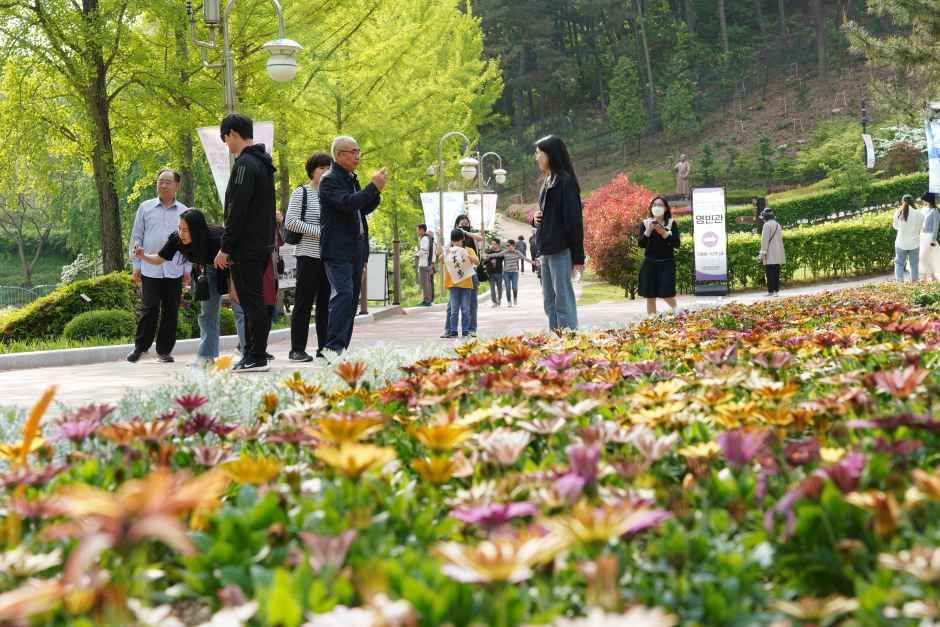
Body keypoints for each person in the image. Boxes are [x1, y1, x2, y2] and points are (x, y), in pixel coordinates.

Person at [214, 113, 276, 373]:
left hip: (246, 247)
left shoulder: (244, 166)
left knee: (251, 303)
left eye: (225, 139)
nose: (226, 145)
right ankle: (253, 353)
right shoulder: (262, 164)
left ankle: (256, 356)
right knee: (255, 301)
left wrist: (225, 247)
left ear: (232, 134)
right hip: (261, 245)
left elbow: (237, 210)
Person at [319, 136, 386, 354]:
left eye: (359, 151)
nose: (358, 156)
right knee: (344, 295)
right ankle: (332, 348)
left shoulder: (350, 177)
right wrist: (371, 187)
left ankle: (342, 348)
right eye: (353, 152)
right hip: (337, 250)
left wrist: (376, 192)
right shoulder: (329, 180)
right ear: (339, 155)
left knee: (351, 299)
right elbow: (347, 204)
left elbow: (361, 208)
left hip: (356, 250)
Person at [135, 209, 228, 363]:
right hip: (207, 270)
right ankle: (206, 358)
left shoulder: (216, 237)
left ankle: (249, 352)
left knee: (241, 310)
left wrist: (234, 289)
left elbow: (233, 258)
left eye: (185, 230)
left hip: (231, 266)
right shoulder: (177, 238)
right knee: (207, 314)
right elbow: (159, 259)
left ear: (196, 229)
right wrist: (143, 256)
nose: (181, 233)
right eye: (179, 228)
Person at [126, 168, 191, 364]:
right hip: (149, 268)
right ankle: (140, 347)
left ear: (177, 186)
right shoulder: (145, 208)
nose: (162, 185)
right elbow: (136, 237)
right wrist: (136, 264)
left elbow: (189, 242)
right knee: (149, 309)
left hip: (174, 269)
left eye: (167, 182)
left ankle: (164, 351)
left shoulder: (184, 211)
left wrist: (187, 270)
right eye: (160, 181)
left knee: (171, 311)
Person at [532, 135, 584, 331]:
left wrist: (578, 257)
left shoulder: (565, 183)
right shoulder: (547, 182)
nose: (537, 158)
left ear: (550, 155)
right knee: (549, 302)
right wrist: (535, 218)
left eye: (539, 153)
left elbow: (574, 222)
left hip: (561, 250)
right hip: (546, 249)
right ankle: (556, 340)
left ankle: (570, 340)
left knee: (563, 300)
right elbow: (548, 215)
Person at [285, 152, 333, 361]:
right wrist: (321, 231)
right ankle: (297, 349)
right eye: (321, 168)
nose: (325, 172)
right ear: (312, 171)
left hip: (329, 257)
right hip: (307, 255)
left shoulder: (332, 194)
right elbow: (292, 222)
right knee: (303, 305)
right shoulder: (302, 193)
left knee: (326, 305)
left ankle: (324, 349)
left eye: (328, 168)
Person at [638, 196, 680, 315]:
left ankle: (680, 313)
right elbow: (641, 244)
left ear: (666, 208)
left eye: (660, 205)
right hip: (650, 263)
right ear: (651, 208)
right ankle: (652, 321)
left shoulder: (671, 223)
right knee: (650, 296)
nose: (657, 207)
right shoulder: (645, 223)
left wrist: (664, 233)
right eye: (654, 205)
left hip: (667, 263)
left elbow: (676, 244)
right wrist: (649, 231)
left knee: (667, 294)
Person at [440, 228, 479, 338]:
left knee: (466, 309)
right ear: (451, 241)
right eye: (454, 241)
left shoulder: (468, 250)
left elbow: (477, 261)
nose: (456, 243)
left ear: (462, 239)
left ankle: (466, 331)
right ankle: (453, 331)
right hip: (453, 285)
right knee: (454, 309)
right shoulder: (450, 250)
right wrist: (446, 251)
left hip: (466, 284)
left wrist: (467, 255)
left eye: (458, 240)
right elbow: (441, 259)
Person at [486, 239, 529, 307]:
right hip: (506, 273)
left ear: (513, 246)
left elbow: (525, 258)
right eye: (507, 246)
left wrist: (533, 262)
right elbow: (497, 254)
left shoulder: (517, 252)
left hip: (514, 273)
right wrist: (488, 255)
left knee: (514, 287)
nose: (508, 247)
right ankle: (509, 302)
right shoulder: (505, 252)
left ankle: (515, 299)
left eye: (509, 245)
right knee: (508, 288)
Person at [893, 194, 924, 283]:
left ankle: (900, 282)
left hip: (901, 243)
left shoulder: (899, 212)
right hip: (914, 243)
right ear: (912, 201)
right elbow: (920, 228)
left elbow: (895, 226)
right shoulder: (919, 213)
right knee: (914, 264)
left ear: (902, 201)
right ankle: (915, 282)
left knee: (899, 264)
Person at [758, 207, 786, 295]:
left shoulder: (766, 225)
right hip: (778, 252)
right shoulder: (778, 224)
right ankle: (776, 291)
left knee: (769, 273)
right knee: (776, 272)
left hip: (769, 253)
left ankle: (771, 291)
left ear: (765, 217)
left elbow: (764, 240)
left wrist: (762, 253)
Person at [920, 192, 940, 281]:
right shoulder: (923, 209)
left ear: (928, 199)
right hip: (922, 235)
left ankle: (932, 276)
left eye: (924, 199)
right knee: (922, 257)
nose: (923, 201)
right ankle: (925, 276)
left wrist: (933, 240)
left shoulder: (935, 211)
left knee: (926, 256)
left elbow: (936, 227)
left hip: (929, 236)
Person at [415, 224, 436, 306]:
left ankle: (426, 300)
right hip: (428, 263)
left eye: (417, 229)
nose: (416, 231)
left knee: (425, 283)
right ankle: (428, 299)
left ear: (421, 230)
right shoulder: (429, 238)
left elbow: (424, 250)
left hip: (424, 263)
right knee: (428, 282)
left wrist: (417, 254)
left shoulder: (424, 238)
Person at [484, 239, 504, 307]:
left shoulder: (501, 253)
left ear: (498, 244)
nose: (493, 245)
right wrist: (489, 260)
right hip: (491, 273)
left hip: (499, 272)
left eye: (494, 244)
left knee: (499, 288)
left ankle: (499, 299)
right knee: (492, 288)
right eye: (492, 244)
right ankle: (494, 302)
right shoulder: (489, 252)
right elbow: (484, 262)